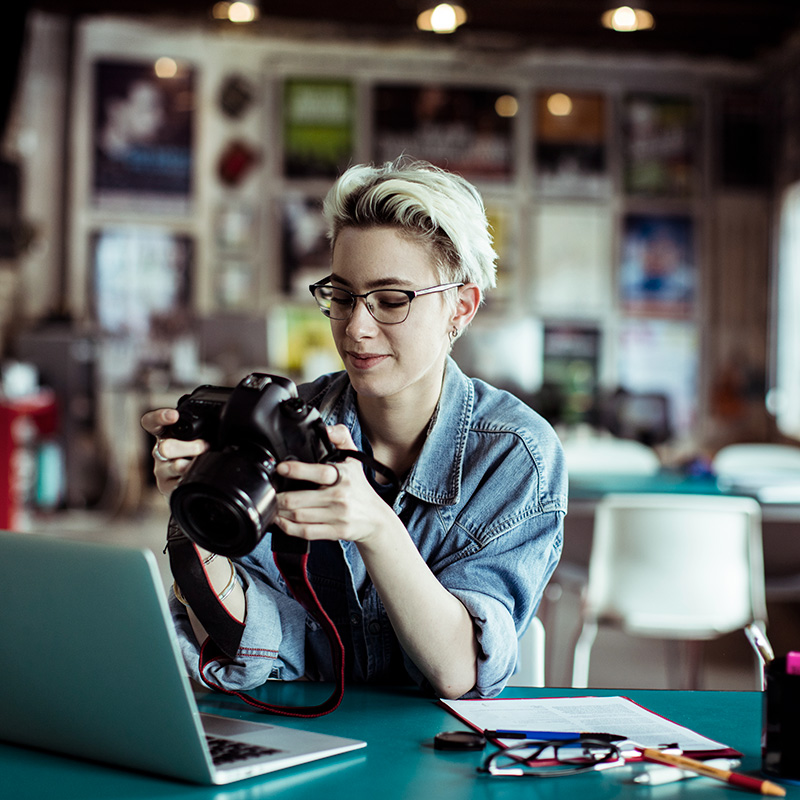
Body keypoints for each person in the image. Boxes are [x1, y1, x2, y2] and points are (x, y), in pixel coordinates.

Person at [141, 157, 566, 700]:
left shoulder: (516, 456)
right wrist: (195, 514)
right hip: (303, 739)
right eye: (342, 297)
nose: (357, 328)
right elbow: (262, 643)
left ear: (461, 306)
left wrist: (375, 526)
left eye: (391, 301)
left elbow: (458, 671)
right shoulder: (282, 426)